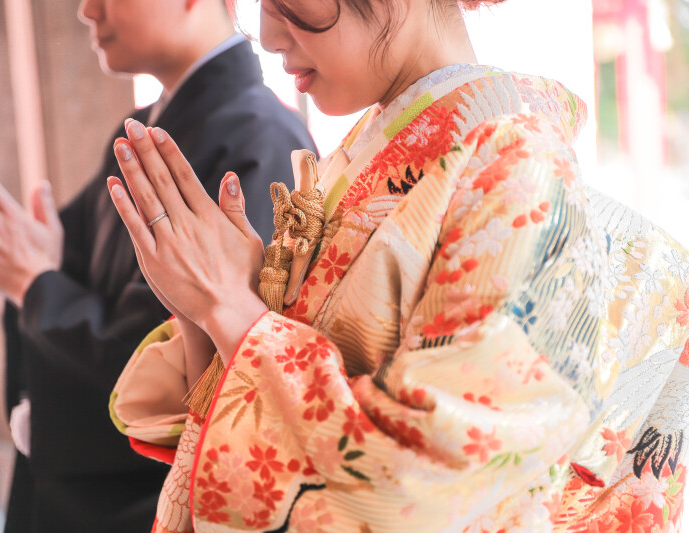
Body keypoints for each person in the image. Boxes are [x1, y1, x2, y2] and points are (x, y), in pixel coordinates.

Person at [108, 0, 689, 530]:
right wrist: (201, 304)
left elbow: (426, 483)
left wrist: (231, 308)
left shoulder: (521, 170)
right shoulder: (367, 149)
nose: (266, 32)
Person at [0, 0, 316, 530]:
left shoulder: (260, 136)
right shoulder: (141, 126)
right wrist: (36, 272)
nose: (87, 11)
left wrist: (33, 283)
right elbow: (64, 270)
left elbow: (167, 365)